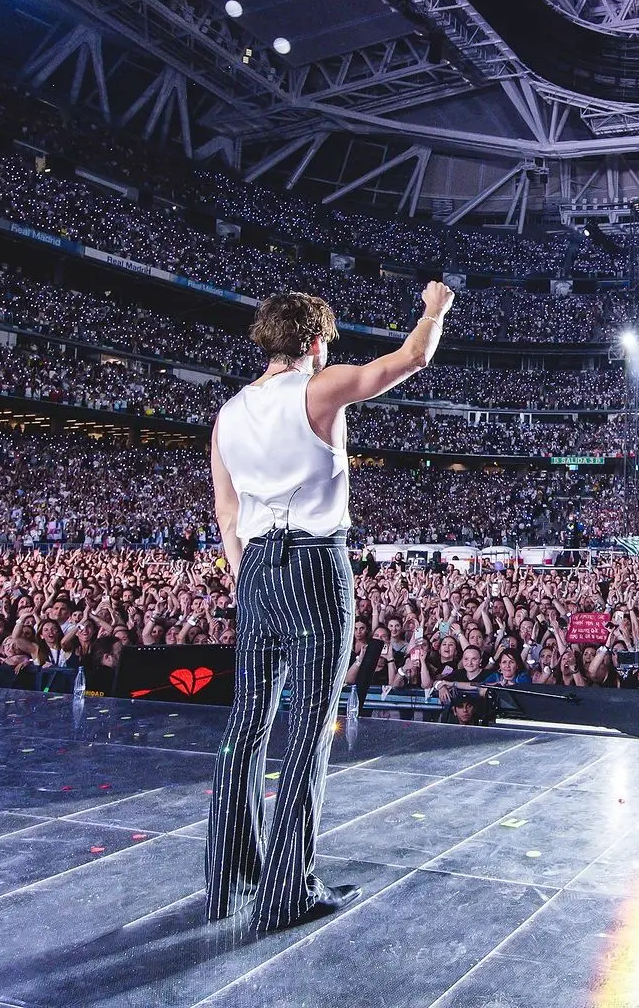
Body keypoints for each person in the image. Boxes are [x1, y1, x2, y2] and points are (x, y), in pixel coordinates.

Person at [204, 281, 454, 933]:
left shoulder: (228, 413)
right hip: (315, 564)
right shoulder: (319, 387)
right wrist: (433, 309)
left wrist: (249, 578)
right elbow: (408, 362)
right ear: (315, 343)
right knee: (311, 726)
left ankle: (230, 881)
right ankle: (289, 892)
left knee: (246, 726)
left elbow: (227, 511)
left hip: (255, 566)